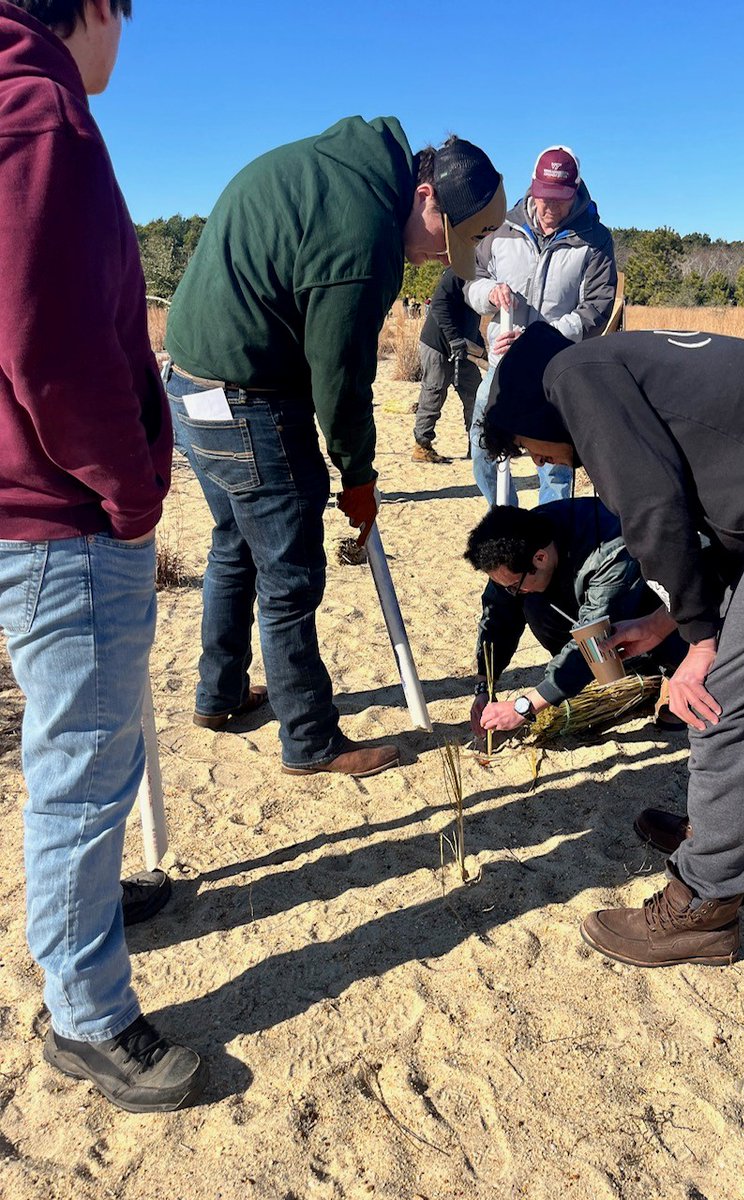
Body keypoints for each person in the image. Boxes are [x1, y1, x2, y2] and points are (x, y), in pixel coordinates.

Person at [481, 322, 744, 967]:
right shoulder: (610, 368)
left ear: (533, 412)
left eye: (522, 445)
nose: (537, 460)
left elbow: (653, 505)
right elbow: (723, 518)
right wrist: (668, 622)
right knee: (728, 661)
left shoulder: (573, 377)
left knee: (726, 690)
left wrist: (700, 641)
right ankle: (717, 835)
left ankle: (703, 907)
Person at [0, 0, 206, 1111]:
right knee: (82, 764)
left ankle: (80, 914)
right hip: (62, 511)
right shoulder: (39, 116)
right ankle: (87, 1013)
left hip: (26, 502)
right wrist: (128, 491)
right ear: (90, 6)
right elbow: (55, 347)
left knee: (77, 752)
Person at [165, 123, 505, 778]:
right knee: (290, 575)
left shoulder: (346, 171)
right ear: (426, 196)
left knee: (234, 544)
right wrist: (358, 477)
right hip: (246, 396)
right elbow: (341, 380)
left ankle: (221, 691)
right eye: (451, 242)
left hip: (189, 386)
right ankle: (311, 739)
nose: (444, 260)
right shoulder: (364, 234)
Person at [464, 146, 617, 506]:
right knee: (483, 447)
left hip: (557, 368)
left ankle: (553, 532)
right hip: (503, 363)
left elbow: (597, 308)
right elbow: (472, 280)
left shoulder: (595, 240)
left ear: (576, 189)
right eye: (544, 197)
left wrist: (540, 339)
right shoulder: (500, 229)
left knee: (554, 466)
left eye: (560, 199)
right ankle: (506, 521)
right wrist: (490, 293)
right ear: (532, 188)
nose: (550, 208)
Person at [464, 501, 685, 736]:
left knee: (640, 629)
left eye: (511, 586)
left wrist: (524, 707)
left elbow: (593, 639)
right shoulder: (513, 552)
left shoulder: (609, 551)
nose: (510, 591)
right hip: (585, 598)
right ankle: (589, 676)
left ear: (540, 558)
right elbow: (498, 615)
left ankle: (673, 671)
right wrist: (484, 686)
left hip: (657, 604)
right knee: (532, 602)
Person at [412, 267, 486, 463]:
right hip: (438, 344)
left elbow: (471, 318)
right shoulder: (458, 271)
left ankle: (478, 445)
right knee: (434, 393)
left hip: (464, 348)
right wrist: (454, 339)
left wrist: (481, 347)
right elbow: (438, 305)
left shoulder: (486, 273)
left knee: (476, 395)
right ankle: (422, 446)